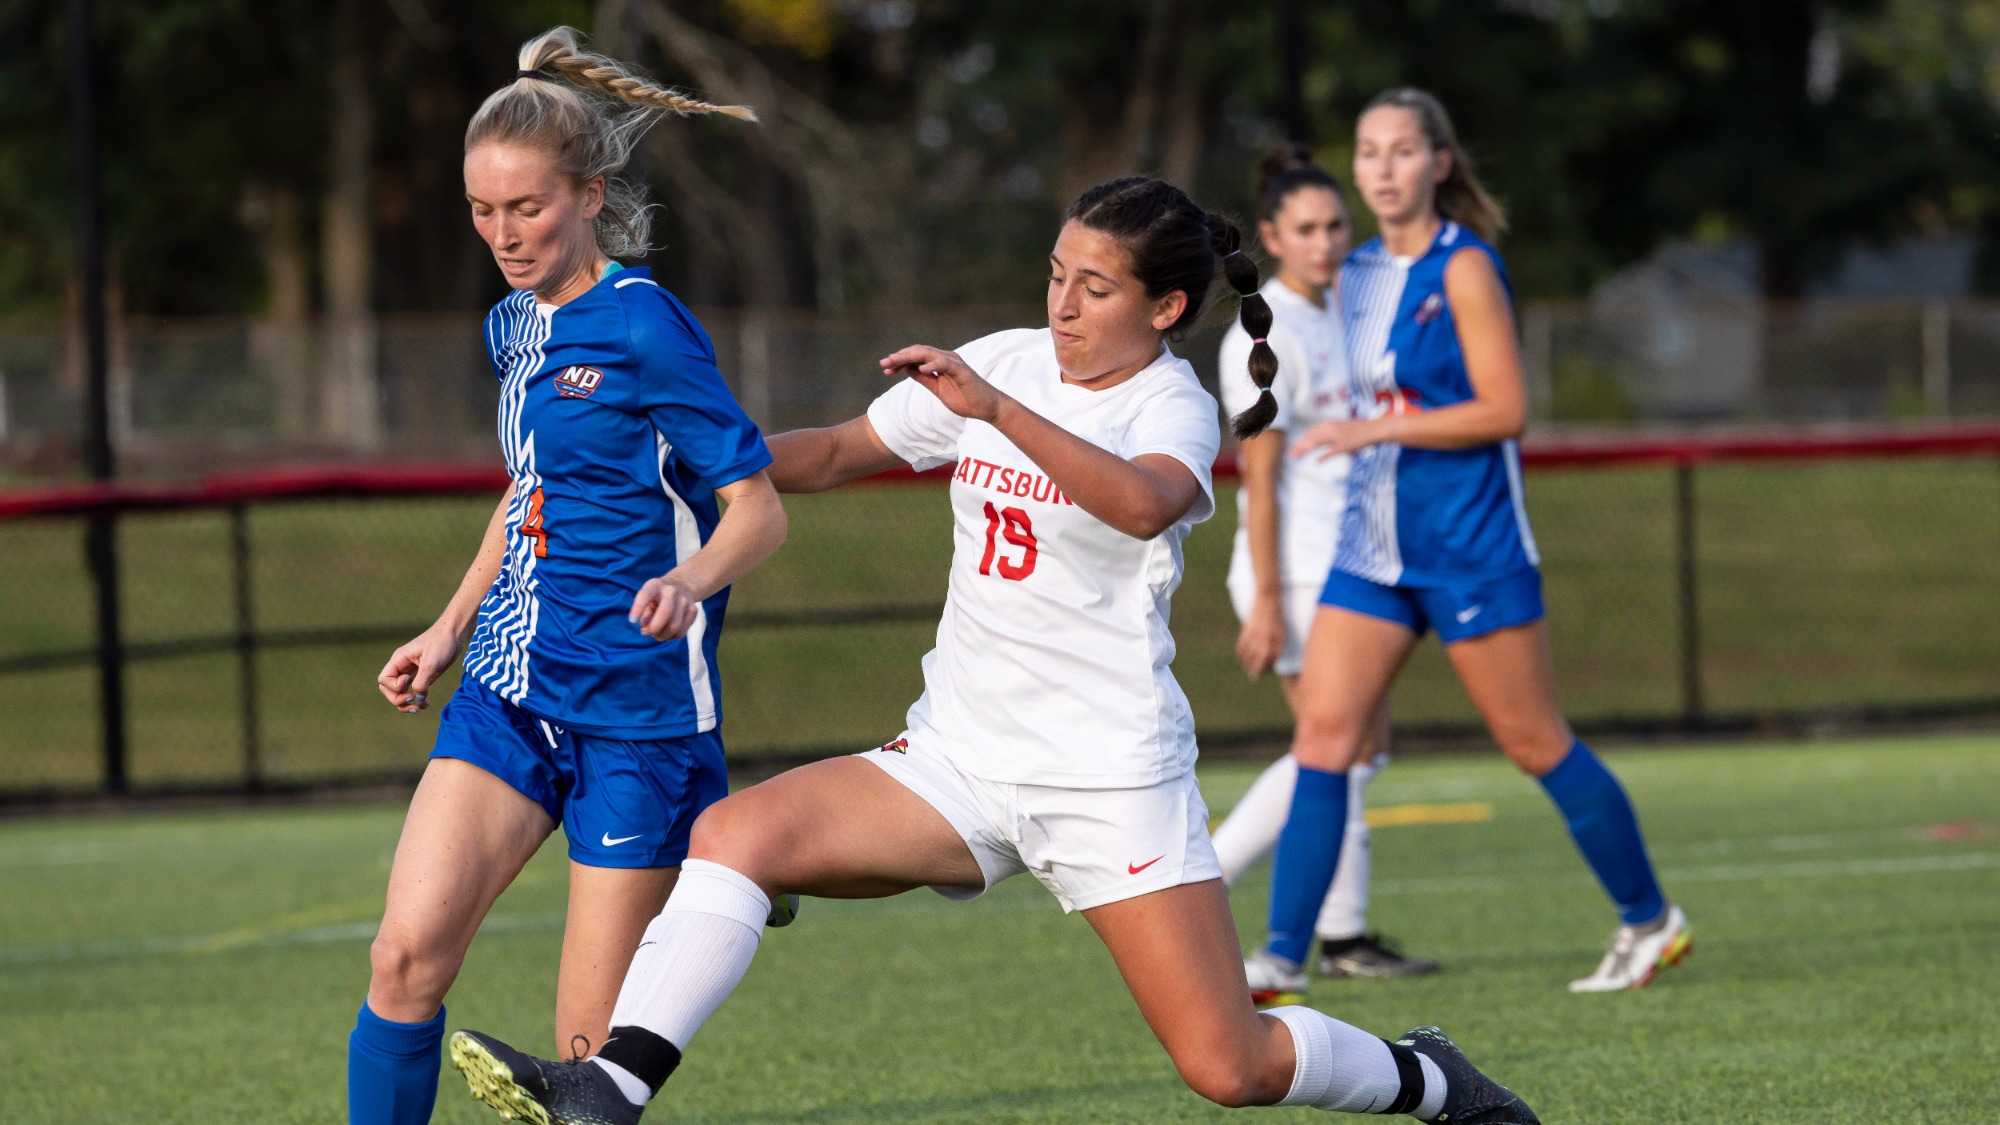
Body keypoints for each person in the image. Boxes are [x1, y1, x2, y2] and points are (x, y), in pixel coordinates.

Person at [445, 176, 1538, 1125]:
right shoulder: (1007, 361)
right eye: (1056, 274)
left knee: (1229, 1066)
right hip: (958, 759)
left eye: (1095, 288)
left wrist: (998, 412)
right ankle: (610, 1087)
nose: (1061, 304)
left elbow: (1144, 503)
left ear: (1164, 307)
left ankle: (1428, 1078)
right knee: (736, 833)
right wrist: (684, 459)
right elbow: (833, 453)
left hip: (1105, 780)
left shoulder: (1171, 403)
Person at [344, 28, 788, 1125]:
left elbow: (758, 510)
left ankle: (716, 855)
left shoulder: (644, 324)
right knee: (404, 958)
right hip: (509, 688)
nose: (503, 235)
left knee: (586, 1071)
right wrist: (449, 626)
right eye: (481, 210)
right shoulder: (512, 324)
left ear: (590, 197)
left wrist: (690, 581)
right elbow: (530, 486)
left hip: (636, 716)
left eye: (526, 208)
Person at [1244, 88, 1691, 1007]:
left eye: (1403, 149)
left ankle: (1651, 920)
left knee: (1534, 740)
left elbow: (1505, 409)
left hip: (1469, 545)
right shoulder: (1355, 273)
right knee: (1323, 740)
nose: (1383, 167)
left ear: (1439, 163)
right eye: (1369, 150)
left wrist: (1375, 430)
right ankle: (1281, 961)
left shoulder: (1467, 268)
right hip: (1372, 549)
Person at [1211, 143, 1437, 987]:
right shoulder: (1261, 332)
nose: (1325, 241)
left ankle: (1342, 935)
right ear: (1271, 236)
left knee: (1354, 749)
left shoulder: (1348, 307)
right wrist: (1268, 598)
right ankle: (1208, 874)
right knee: (1336, 747)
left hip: (1357, 561)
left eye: (1336, 225)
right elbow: (1261, 480)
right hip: (1298, 568)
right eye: (1305, 229)